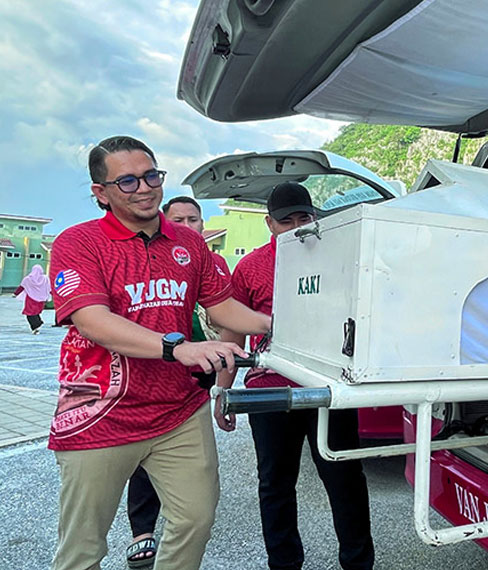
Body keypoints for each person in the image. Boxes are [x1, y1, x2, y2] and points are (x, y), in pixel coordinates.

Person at [48, 135, 272, 570]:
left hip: (178, 412)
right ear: (101, 193)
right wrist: (180, 348)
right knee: (82, 548)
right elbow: (92, 320)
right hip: (99, 412)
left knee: (194, 519)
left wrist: (272, 324)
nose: (145, 187)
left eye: (151, 175)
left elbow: (222, 306)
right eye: (128, 181)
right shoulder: (79, 242)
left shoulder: (188, 245)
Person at [214, 182, 375, 570]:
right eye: (286, 221)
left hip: (326, 389)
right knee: (275, 484)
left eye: (304, 217)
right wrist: (222, 391)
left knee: (345, 479)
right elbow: (232, 334)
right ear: (269, 224)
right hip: (269, 390)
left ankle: (358, 563)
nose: (297, 226)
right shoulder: (251, 266)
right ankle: (284, 564)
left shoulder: (336, 257)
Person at [123, 195, 232, 568]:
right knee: (141, 458)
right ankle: (142, 531)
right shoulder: (150, 255)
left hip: (195, 376)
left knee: (185, 463)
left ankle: (181, 520)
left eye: (194, 220)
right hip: (148, 374)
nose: (188, 227)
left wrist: (224, 384)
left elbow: (227, 319)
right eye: (179, 221)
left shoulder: (214, 263)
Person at [14, 264, 50, 334]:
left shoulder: (27, 279)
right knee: (36, 313)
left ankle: (36, 325)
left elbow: (21, 287)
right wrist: (53, 294)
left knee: (29, 313)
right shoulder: (45, 279)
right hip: (41, 299)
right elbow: (49, 287)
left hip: (31, 299)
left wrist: (15, 293)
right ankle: (38, 323)